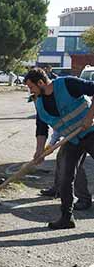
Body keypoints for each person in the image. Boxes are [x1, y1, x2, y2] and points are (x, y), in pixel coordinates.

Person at [25, 67, 94, 229]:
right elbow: (41, 127)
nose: (30, 91)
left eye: (31, 87)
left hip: (91, 132)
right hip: (72, 140)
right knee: (64, 177)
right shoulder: (39, 102)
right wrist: (39, 151)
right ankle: (66, 218)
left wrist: (90, 117)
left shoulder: (68, 84)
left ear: (41, 82)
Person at [39, 131, 91, 212]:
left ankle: (84, 199)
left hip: (84, 133)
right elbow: (57, 128)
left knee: (72, 164)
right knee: (62, 157)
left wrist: (52, 142)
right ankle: (59, 188)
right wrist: (51, 144)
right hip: (72, 133)